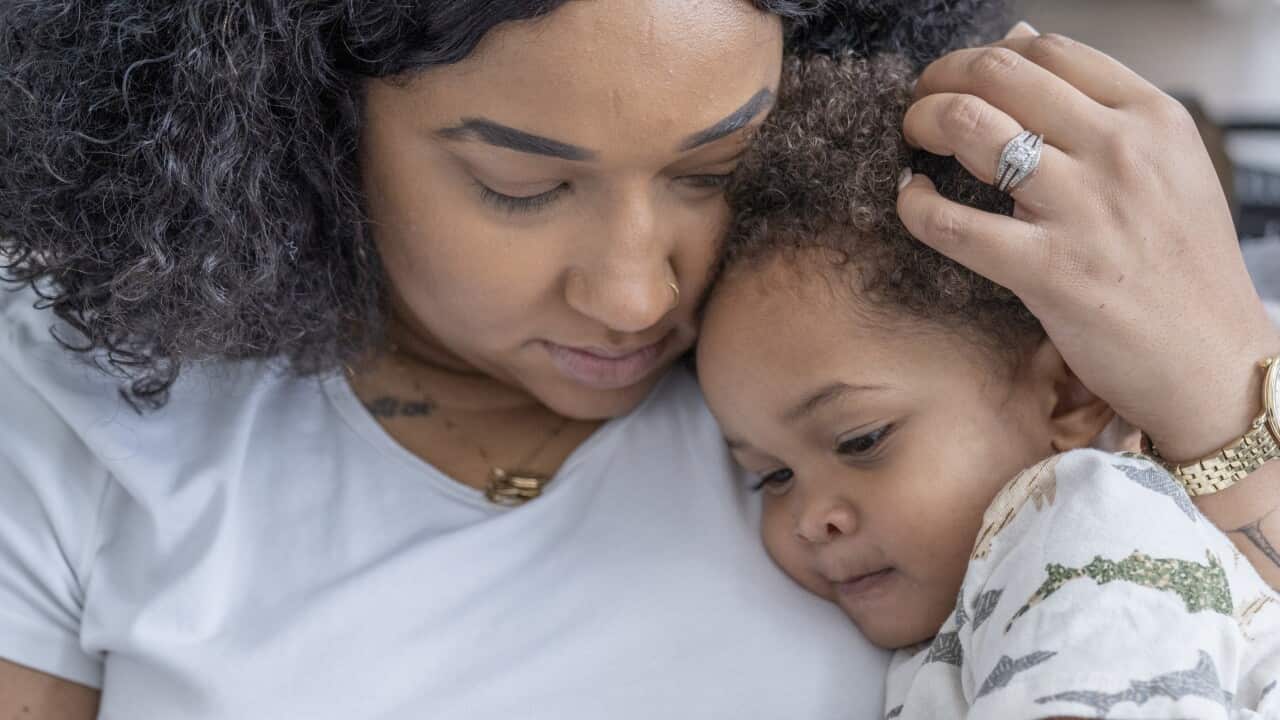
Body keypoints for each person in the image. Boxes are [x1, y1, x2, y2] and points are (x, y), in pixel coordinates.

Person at [0, 0, 1276, 717]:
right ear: (293, 127)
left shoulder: (880, 354)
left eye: (710, 170)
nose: (633, 291)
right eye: (517, 185)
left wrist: (1218, 377)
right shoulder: (70, 406)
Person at [696, 51, 1280, 719]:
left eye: (861, 440)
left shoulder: (1092, 529)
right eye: (771, 477)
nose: (809, 520)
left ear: (1069, 396)